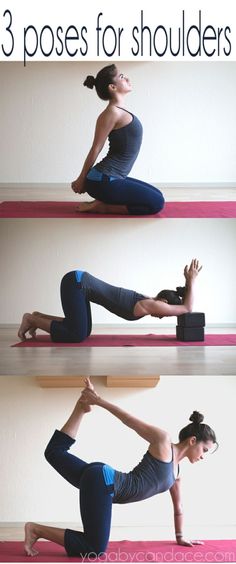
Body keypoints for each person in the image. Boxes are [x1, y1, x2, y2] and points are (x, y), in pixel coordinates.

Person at [24, 377, 218, 558]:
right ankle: (36, 529)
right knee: (94, 549)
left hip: (101, 478)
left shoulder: (176, 474)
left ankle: (81, 408)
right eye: (204, 450)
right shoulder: (163, 442)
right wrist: (98, 400)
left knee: (54, 452)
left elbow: (179, 508)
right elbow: (129, 420)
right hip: (104, 482)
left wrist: (180, 536)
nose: (203, 456)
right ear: (193, 440)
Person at [18, 259, 202, 342]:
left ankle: (38, 316)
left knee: (83, 330)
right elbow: (187, 308)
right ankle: (31, 319)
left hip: (79, 283)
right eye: (166, 313)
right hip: (77, 283)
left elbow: (183, 307)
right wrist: (191, 280)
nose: (163, 316)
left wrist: (187, 283)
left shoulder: (149, 301)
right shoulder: (152, 304)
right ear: (163, 301)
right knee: (77, 334)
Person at [71, 64, 165, 215]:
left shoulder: (119, 111)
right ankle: (104, 207)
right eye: (121, 77)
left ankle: (104, 201)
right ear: (112, 87)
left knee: (158, 195)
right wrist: (81, 179)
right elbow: (96, 148)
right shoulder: (111, 113)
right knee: (156, 204)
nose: (127, 78)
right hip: (102, 180)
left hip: (112, 178)